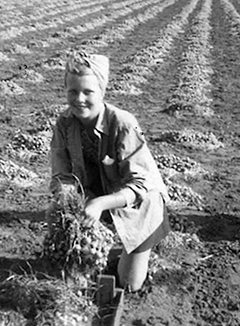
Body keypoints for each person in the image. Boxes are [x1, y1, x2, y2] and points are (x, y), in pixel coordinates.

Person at [49, 51, 170, 292]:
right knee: (57, 215)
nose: (79, 99)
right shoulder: (64, 123)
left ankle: (141, 244)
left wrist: (100, 204)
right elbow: (61, 175)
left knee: (128, 284)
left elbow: (139, 186)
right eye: (72, 91)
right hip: (97, 193)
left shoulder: (123, 123)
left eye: (88, 92)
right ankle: (96, 251)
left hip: (138, 203)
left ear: (102, 92)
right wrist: (66, 198)